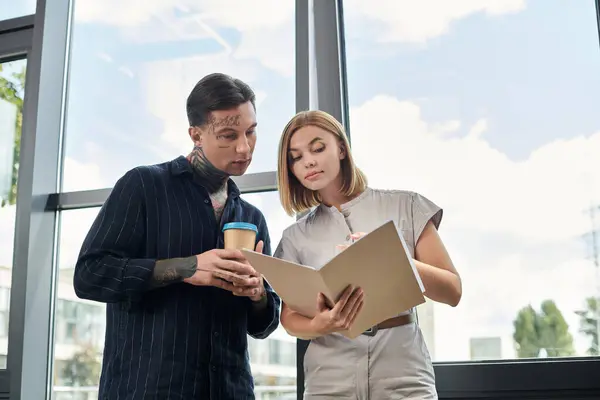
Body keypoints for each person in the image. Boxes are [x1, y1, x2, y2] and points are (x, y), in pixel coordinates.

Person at [73, 73, 281, 399]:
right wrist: (187, 267)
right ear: (195, 134)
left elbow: (264, 325)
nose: (244, 147)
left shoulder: (252, 218)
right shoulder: (143, 186)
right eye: (228, 135)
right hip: (148, 390)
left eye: (251, 132)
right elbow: (89, 276)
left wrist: (257, 294)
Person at [273, 110, 462, 399]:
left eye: (318, 148)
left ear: (341, 148)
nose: (308, 161)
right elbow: (288, 318)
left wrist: (394, 257)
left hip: (403, 373)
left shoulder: (405, 205)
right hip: (329, 379)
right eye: (295, 157)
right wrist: (317, 325)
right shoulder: (294, 236)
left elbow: (452, 291)